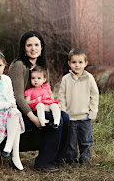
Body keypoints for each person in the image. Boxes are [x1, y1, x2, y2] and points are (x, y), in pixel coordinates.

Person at [9, 30, 69, 172]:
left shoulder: (42, 67)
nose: (33, 48)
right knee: (56, 121)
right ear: (23, 48)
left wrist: (53, 103)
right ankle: (43, 162)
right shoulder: (18, 65)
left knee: (65, 117)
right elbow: (18, 96)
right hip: (22, 110)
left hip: (41, 106)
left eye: (36, 45)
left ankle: (59, 158)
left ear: (42, 47)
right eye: (29, 45)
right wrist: (33, 118)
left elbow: (47, 90)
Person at [58, 48, 99, 166]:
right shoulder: (66, 79)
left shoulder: (89, 78)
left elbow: (94, 95)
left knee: (85, 140)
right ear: (69, 64)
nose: (77, 65)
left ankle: (85, 159)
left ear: (85, 64)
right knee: (71, 141)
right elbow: (61, 96)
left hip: (85, 117)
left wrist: (93, 112)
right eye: (74, 62)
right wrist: (64, 113)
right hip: (71, 117)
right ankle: (71, 160)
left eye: (80, 62)